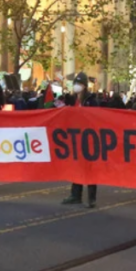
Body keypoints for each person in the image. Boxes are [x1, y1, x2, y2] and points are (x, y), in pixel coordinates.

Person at [60, 72, 100, 208]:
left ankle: (91, 197)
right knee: (76, 167)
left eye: (79, 84)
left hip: (89, 139)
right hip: (76, 138)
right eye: (75, 83)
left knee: (90, 169)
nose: (77, 86)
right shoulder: (73, 100)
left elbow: (95, 118)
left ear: (84, 86)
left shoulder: (91, 101)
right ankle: (75, 195)